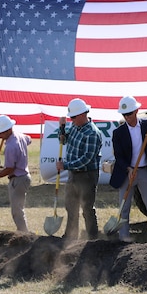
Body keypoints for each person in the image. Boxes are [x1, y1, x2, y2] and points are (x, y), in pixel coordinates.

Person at [110, 96, 147, 244]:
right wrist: (128, 169)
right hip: (127, 173)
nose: (127, 117)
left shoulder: (146, 126)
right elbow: (119, 156)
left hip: (145, 172)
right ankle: (124, 241)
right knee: (124, 209)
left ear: (136, 111)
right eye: (124, 114)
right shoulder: (118, 133)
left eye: (129, 113)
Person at [56, 98, 103, 241]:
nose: (72, 119)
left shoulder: (92, 133)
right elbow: (63, 140)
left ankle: (93, 239)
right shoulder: (75, 127)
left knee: (87, 208)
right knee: (71, 206)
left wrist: (66, 166)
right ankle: (71, 237)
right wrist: (62, 129)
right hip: (74, 174)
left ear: (83, 114)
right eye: (71, 117)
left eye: (73, 117)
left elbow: (86, 160)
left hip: (87, 175)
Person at [0, 115, 32, 232]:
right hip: (24, 177)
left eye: (0, 133)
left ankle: (24, 234)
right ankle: (23, 232)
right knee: (18, 209)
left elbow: (9, 169)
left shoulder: (11, 146)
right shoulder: (20, 136)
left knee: (17, 211)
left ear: (7, 130)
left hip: (18, 179)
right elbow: (29, 139)